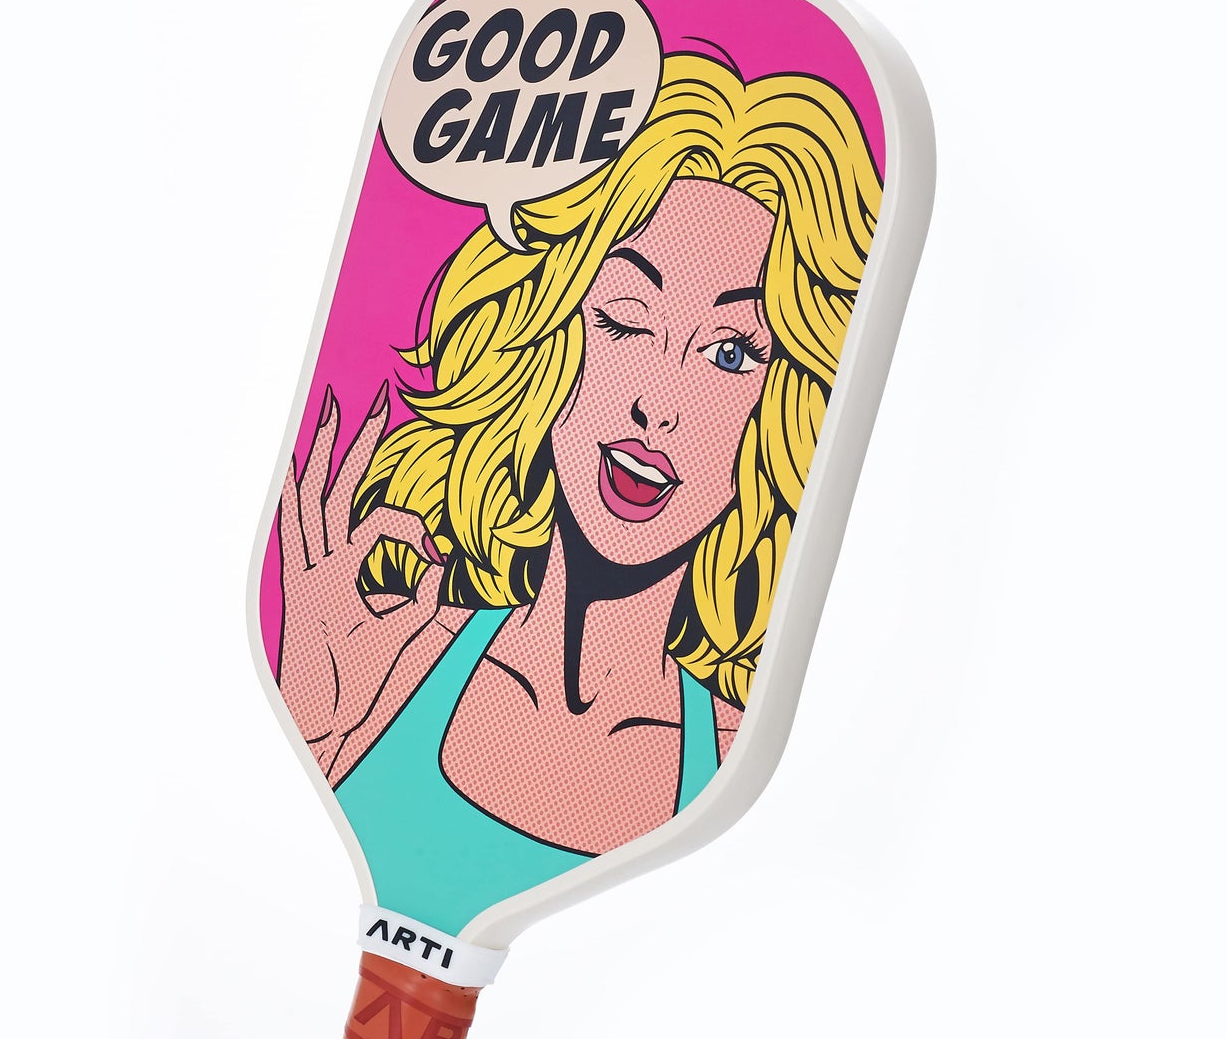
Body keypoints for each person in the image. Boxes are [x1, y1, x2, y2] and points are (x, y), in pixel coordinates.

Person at [276, 54, 880, 930]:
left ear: (786, 407)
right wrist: (328, 730)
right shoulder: (389, 665)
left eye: (732, 353)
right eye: (627, 320)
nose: (657, 402)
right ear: (550, 333)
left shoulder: (726, 760)